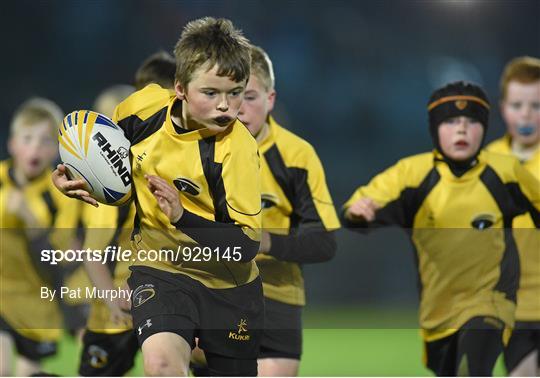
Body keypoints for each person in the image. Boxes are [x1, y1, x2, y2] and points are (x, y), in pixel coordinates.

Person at [52, 17, 263, 376]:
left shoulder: (238, 149)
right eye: (210, 93)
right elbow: (116, 179)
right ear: (179, 88)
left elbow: (244, 246)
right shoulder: (141, 110)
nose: (227, 106)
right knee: (162, 362)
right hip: (160, 271)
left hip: (228, 284)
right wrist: (78, 178)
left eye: (236, 92)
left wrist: (183, 217)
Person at [342, 81, 540, 376]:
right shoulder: (412, 175)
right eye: (450, 121)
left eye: (471, 121)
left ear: (484, 127)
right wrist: (358, 213)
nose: (461, 129)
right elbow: (357, 206)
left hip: (492, 304)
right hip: (438, 315)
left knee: (471, 366)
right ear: (434, 128)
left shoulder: (505, 173)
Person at [0, 98, 78, 376]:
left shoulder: (62, 197)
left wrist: (33, 225)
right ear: (12, 144)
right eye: (28, 138)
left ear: (56, 150)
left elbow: (59, 264)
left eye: (45, 140)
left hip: (37, 308)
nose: (35, 147)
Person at [486, 56, 540, 377]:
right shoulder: (487, 162)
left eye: (536, 105)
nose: (526, 114)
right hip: (514, 309)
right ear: (504, 107)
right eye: (517, 104)